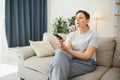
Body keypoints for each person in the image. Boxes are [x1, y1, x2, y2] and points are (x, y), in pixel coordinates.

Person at [48, 10, 99, 80]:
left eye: (80, 18)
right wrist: (61, 44)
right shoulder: (71, 35)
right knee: (59, 52)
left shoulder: (93, 36)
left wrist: (67, 49)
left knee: (56, 67)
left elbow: (86, 56)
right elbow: (65, 51)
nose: (77, 20)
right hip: (73, 59)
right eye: (76, 18)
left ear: (87, 20)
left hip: (87, 63)